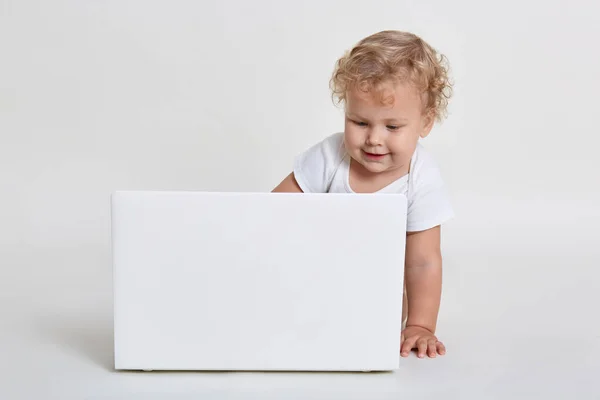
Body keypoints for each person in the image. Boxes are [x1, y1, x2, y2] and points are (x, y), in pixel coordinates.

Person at [272, 30, 454, 359]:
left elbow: (423, 262)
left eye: (392, 127)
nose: (373, 139)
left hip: (374, 294)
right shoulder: (330, 156)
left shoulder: (421, 178)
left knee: (367, 318)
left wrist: (421, 325)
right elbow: (272, 211)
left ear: (425, 123)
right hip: (313, 275)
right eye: (359, 122)